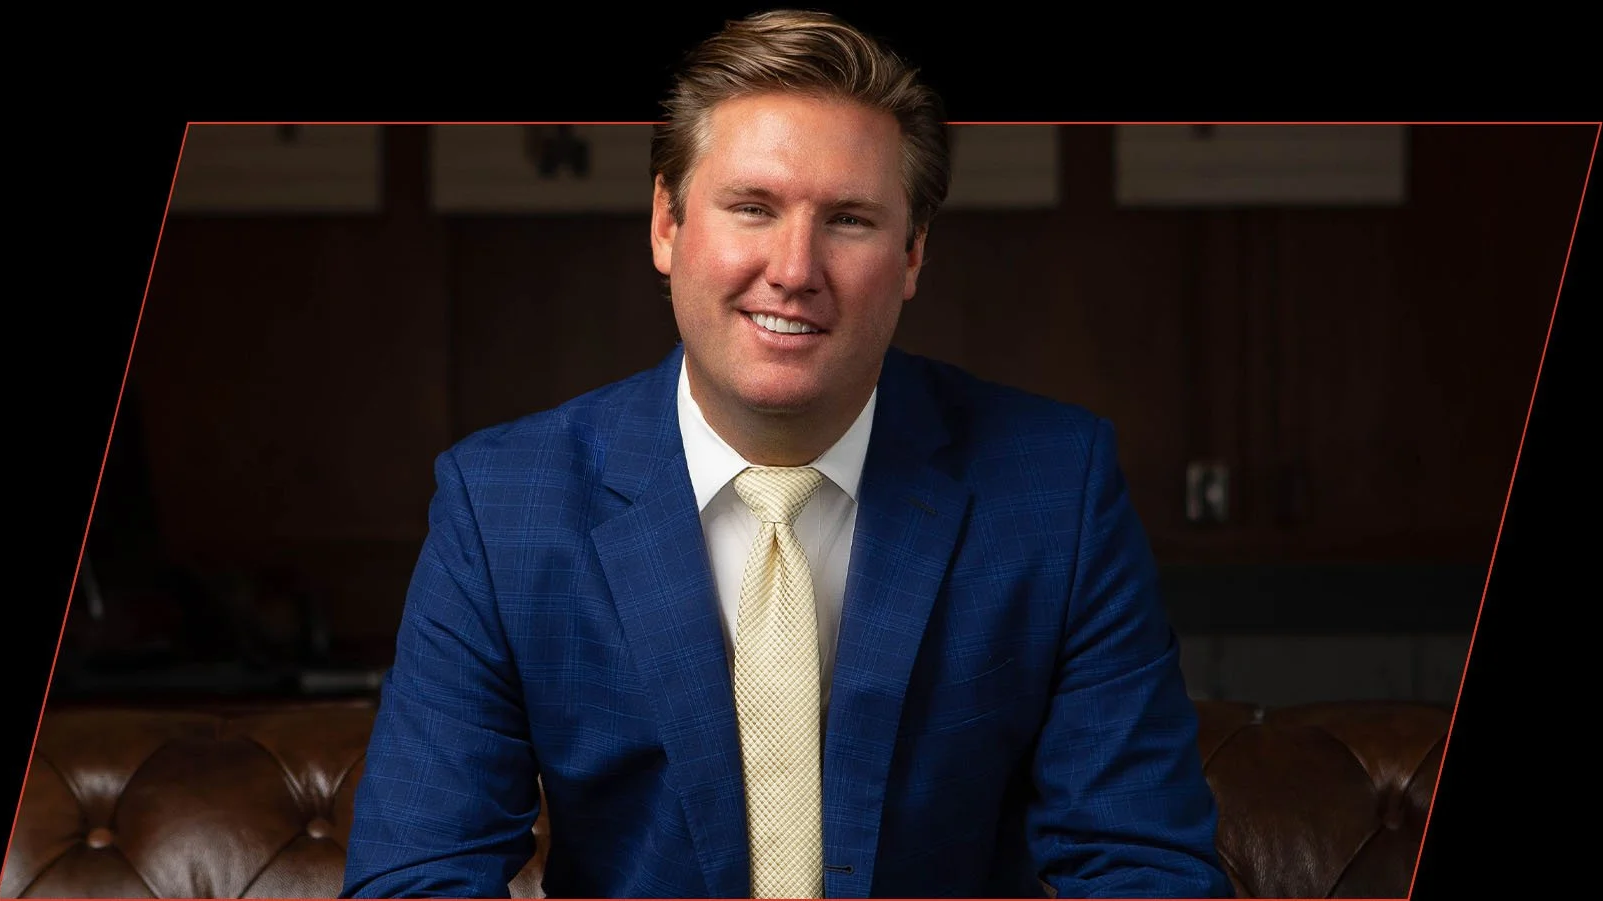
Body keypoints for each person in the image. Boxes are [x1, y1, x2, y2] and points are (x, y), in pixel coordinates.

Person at [342, 10, 1231, 899]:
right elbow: (417, 876)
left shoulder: (1054, 487)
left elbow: (1142, 863)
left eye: (847, 219)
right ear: (666, 223)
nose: (795, 268)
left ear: (913, 253)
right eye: (752, 207)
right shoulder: (501, 503)